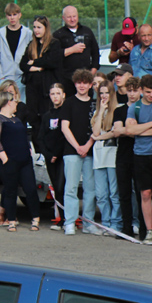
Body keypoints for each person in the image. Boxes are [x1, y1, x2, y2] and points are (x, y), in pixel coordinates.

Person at [126, 75, 152, 245]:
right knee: (144, 193)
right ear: (141, 90)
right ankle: (148, 230)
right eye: (148, 92)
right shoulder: (134, 107)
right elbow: (129, 130)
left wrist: (139, 130)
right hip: (140, 154)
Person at [0, 89, 41, 232]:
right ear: (7, 102)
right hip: (10, 160)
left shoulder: (16, 119)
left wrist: (28, 151)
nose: (16, 103)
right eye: (14, 100)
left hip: (24, 160)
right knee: (11, 190)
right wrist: (5, 159)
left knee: (30, 189)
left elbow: (23, 136)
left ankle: (35, 218)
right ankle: (11, 220)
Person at [60, 68, 97, 236]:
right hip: (71, 151)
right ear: (75, 84)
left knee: (90, 188)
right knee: (71, 188)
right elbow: (64, 127)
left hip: (90, 151)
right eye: (79, 82)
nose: (82, 86)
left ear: (90, 85)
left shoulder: (95, 103)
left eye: (85, 83)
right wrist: (77, 147)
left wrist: (87, 146)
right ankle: (70, 222)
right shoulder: (68, 102)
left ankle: (88, 222)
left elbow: (98, 128)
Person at [20, 15, 63, 133]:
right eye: (34, 27)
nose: (36, 30)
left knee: (47, 119)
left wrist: (34, 62)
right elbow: (23, 65)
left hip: (47, 89)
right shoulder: (31, 45)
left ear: (46, 28)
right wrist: (38, 68)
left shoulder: (54, 43)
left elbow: (51, 61)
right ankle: (38, 149)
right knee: (34, 119)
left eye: (39, 27)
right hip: (33, 89)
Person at [112, 75, 142, 238]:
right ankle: (126, 226)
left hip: (140, 155)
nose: (132, 94)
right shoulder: (120, 110)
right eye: (129, 91)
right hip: (123, 155)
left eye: (135, 91)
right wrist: (135, 130)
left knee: (140, 192)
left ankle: (142, 226)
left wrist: (130, 130)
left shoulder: (144, 108)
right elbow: (117, 131)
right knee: (123, 192)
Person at [91, 80, 121, 233]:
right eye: (101, 93)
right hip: (98, 158)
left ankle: (116, 223)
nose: (103, 96)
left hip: (113, 157)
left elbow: (114, 132)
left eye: (106, 92)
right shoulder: (98, 112)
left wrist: (99, 138)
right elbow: (96, 132)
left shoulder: (118, 110)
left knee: (114, 193)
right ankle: (105, 222)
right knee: (101, 194)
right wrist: (101, 111)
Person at [52, 6, 99, 97]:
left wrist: (91, 72)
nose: (72, 19)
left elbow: (95, 53)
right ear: (63, 18)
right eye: (69, 17)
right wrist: (72, 50)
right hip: (67, 81)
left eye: (74, 16)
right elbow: (53, 56)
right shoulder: (58, 35)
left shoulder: (87, 31)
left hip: (86, 80)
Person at [0, 3, 33, 102]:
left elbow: (31, 55)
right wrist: (0, 76)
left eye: (14, 14)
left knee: (21, 105)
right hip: (5, 77)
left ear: (20, 15)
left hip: (22, 77)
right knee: (6, 105)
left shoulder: (28, 33)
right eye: (9, 15)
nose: (12, 18)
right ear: (6, 16)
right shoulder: (0, 34)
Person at [39, 83, 67, 230]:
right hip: (50, 157)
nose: (55, 96)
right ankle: (60, 218)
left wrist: (57, 154)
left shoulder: (67, 113)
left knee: (63, 186)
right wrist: (48, 155)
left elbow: (64, 136)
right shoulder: (47, 115)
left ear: (64, 95)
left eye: (58, 93)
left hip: (63, 156)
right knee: (56, 187)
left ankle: (67, 219)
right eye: (52, 94)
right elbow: (41, 138)